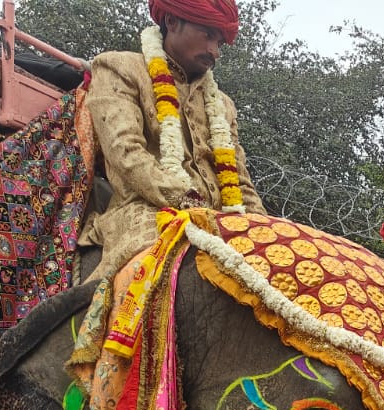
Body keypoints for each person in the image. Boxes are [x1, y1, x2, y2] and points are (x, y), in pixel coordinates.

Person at [83, 0, 264, 276]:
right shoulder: (120, 68)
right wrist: (187, 200)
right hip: (146, 212)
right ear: (172, 22)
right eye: (207, 35)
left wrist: (265, 228)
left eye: (220, 43)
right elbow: (126, 153)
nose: (214, 51)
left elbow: (239, 180)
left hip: (223, 219)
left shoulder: (222, 105)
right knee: (159, 268)